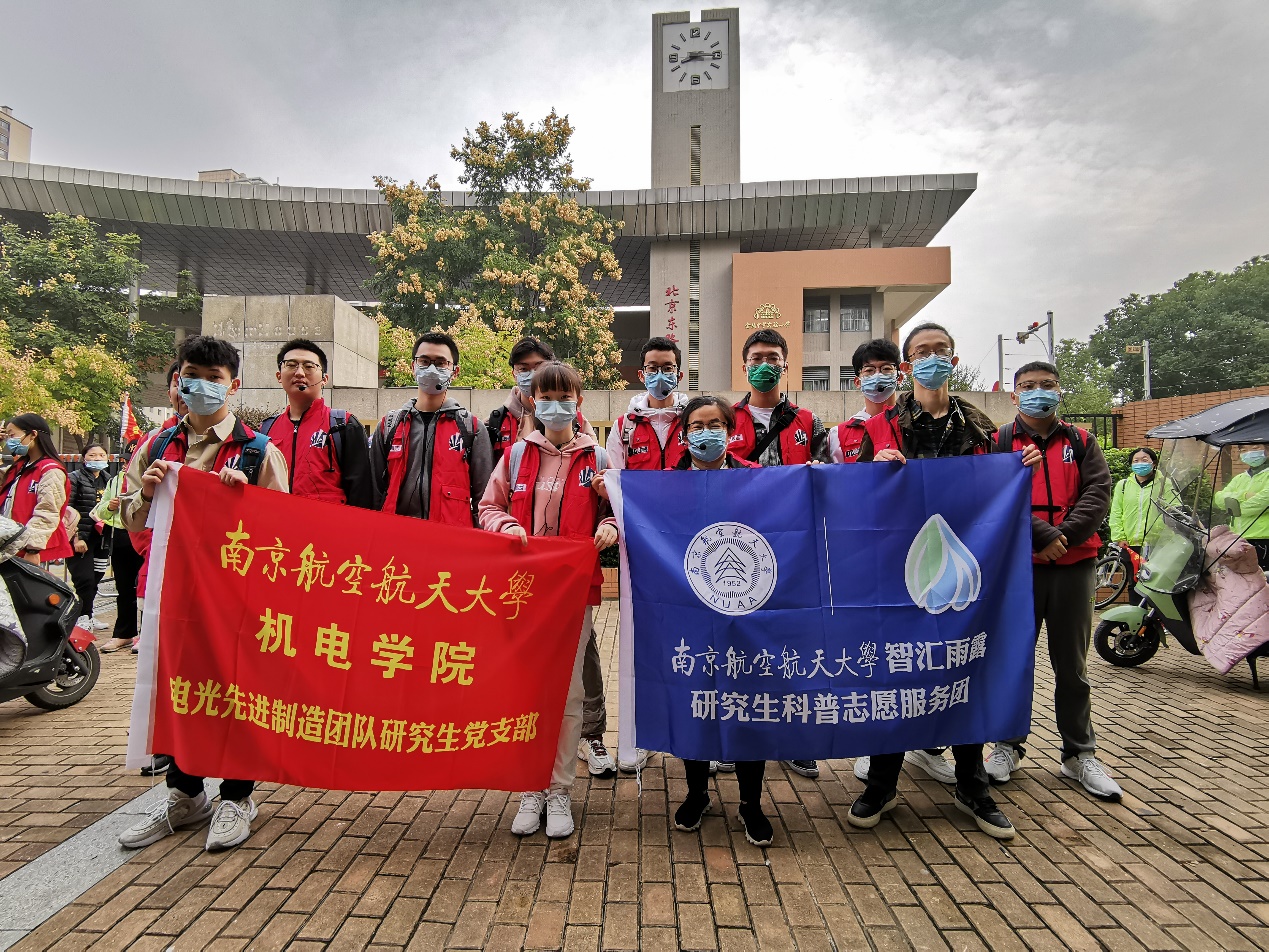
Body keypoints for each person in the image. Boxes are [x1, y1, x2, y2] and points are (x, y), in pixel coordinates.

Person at [117, 335, 290, 852]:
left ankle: (237, 796)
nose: (202, 386)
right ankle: (186, 793)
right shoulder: (155, 447)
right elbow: (127, 518)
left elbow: (284, 536)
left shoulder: (259, 452)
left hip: (236, 600)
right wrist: (147, 493)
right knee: (177, 691)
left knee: (239, 691)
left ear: (233, 386)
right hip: (170, 594)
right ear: (178, 380)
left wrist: (245, 504)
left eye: (215, 378)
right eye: (192, 375)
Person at [849, 322, 1016, 840]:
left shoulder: (983, 430)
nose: (931, 359)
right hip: (898, 569)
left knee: (963, 669)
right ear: (908, 364)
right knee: (895, 673)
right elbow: (854, 497)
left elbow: (999, 496)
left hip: (967, 568)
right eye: (921, 352)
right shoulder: (883, 427)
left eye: (940, 350)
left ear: (954, 358)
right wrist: (874, 469)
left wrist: (1021, 468)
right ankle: (882, 783)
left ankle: (972, 784)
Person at [478, 361, 616, 839]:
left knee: (569, 690)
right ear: (532, 401)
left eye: (565, 397)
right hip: (523, 590)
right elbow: (488, 507)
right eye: (547, 398)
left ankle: (559, 789)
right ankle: (530, 787)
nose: (556, 406)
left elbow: (619, 511)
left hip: (572, 590)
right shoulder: (516, 456)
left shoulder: (598, 458)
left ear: (580, 402)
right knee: (527, 690)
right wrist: (506, 525)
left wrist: (609, 525)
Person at [984, 360, 1121, 801]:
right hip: (1018, 566)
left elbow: (1097, 493)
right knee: (1013, 660)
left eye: (1047, 384)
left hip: (1074, 564)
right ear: (1014, 395)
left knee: (1073, 666)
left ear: (1059, 391)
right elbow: (992, 496)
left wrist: (1064, 538)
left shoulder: (1081, 440)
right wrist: (1041, 535)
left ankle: (1079, 753)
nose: (1037, 392)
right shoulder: (998, 441)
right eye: (1028, 386)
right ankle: (1007, 746)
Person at [834, 340, 959, 788]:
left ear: (900, 372)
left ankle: (930, 747)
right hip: (875, 556)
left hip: (931, 550)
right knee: (882, 655)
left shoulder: (955, 423)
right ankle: (877, 750)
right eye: (869, 370)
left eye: (886, 368)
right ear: (857, 379)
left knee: (935, 654)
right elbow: (839, 492)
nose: (878, 377)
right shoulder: (843, 432)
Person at [663, 394, 775, 846]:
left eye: (715, 425)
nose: (706, 433)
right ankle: (697, 793)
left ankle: (751, 802)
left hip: (746, 608)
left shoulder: (758, 480)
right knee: (695, 700)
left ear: (731, 432)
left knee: (748, 702)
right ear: (684, 434)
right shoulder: (665, 485)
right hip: (688, 609)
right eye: (696, 426)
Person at [730, 328, 829, 780]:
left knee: (794, 644)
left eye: (773, 357)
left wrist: (819, 473)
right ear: (744, 365)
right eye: (756, 358)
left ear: (786, 365)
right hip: (739, 550)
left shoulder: (809, 422)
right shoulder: (724, 419)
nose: (764, 364)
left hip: (794, 551)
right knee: (738, 643)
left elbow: (830, 476)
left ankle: (794, 738)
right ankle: (735, 736)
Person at [592, 335, 689, 776]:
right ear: (641, 373)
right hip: (643, 550)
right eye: (653, 367)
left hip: (691, 546)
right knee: (642, 643)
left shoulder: (696, 418)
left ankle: (697, 733)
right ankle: (641, 736)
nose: (660, 374)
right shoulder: (625, 426)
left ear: (680, 373)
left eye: (667, 367)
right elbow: (616, 481)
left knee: (694, 638)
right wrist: (607, 494)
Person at [370, 331, 493, 526]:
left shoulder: (471, 428)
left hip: (451, 537)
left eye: (441, 363)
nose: (432, 368)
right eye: (424, 361)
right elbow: (374, 491)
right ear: (413, 367)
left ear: (455, 371)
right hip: (397, 533)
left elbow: (484, 499)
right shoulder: (390, 425)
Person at [259, 339, 373, 508]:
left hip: (328, 523)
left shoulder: (344, 425)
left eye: (309, 366)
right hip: (277, 521)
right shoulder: (266, 430)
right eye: (291, 365)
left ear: (324, 379)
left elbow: (361, 494)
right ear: (279, 376)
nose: (299, 373)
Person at [486, 336, 596, 466]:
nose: (533, 374)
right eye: (524, 369)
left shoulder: (575, 421)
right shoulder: (496, 422)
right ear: (514, 374)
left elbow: (592, 461)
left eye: (539, 367)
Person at [92, 441, 144, 655]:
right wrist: (109, 506)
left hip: (144, 535)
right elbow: (100, 510)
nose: (126, 464)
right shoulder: (115, 480)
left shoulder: (150, 476)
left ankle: (146, 634)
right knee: (124, 588)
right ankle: (124, 633)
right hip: (121, 535)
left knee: (146, 587)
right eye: (125, 460)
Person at [1, 414, 73, 567]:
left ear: (33, 434)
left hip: (25, 550)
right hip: (10, 545)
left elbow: (47, 512)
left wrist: (32, 550)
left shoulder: (50, 470)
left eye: (12, 435)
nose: (9, 441)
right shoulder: (19, 467)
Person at [66, 444, 113, 632]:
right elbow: (67, 510)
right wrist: (76, 537)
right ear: (84, 458)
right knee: (84, 579)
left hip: (101, 537)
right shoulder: (74, 478)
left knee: (95, 578)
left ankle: (88, 614)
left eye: (101, 455)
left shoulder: (108, 479)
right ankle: (81, 617)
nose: (98, 458)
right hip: (81, 539)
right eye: (92, 455)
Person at [1108, 447, 1178, 554]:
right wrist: (1119, 537)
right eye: (1136, 461)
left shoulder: (1164, 483)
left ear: (1154, 463)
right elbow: (1116, 513)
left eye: (1144, 460)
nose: (1140, 463)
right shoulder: (1123, 485)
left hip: (1157, 544)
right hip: (1128, 544)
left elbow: (1175, 509)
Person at [1215, 443, 1269, 571]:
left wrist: (1234, 505)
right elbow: (1218, 498)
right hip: (1238, 538)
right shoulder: (1240, 478)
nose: (1249, 453)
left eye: (1255, 448)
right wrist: (1244, 495)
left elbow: (1260, 503)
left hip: (1263, 540)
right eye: (1244, 450)